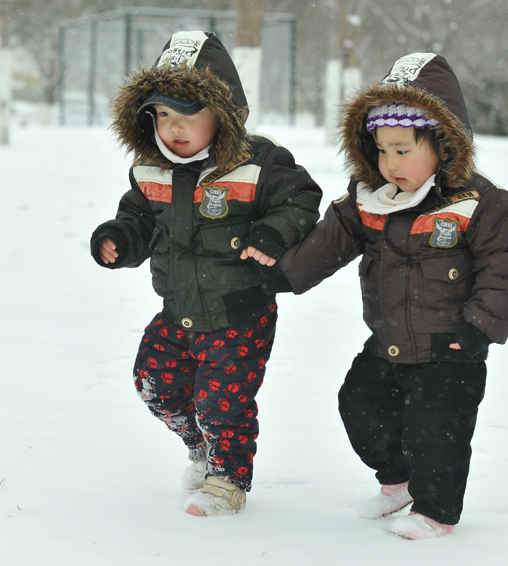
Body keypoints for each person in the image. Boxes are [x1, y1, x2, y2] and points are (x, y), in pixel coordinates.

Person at [279, 53, 508, 539]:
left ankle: (437, 512)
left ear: (443, 145)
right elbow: (329, 243)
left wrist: (479, 326)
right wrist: (280, 276)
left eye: (402, 150)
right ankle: (398, 483)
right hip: (389, 340)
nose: (389, 164)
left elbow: (506, 263)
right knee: (359, 405)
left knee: (437, 432)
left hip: (450, 348)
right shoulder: (372, 200)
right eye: (382, 151)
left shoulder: (477, 204)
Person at [90, 31, 322, 517]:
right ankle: (201, 445)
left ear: (223, 113)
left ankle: (228, 480)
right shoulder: (150, 169)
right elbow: (137, 218)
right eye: (163, 114)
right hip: (178, 310)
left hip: (240, 313)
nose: (174, 127)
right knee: (154, 382)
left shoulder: (257, 164)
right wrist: (119, 238)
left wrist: (272, 233)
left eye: (188, 113)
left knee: (224, 403)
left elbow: (301, 198)